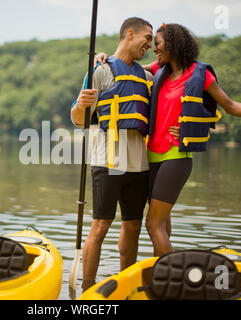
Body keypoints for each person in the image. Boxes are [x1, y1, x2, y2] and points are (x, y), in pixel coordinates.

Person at [94, 23, 241, 257]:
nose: (154, 48)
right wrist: (103, 58)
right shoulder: (158, 69)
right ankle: (160, 274)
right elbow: (124, 65)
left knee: (153, 225)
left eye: (158, 43)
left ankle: (172, 277)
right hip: (150, 157)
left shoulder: (200, 74)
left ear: (173, 44)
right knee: (161, 224)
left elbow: (230, 105)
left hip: (176, 157)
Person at [71, 17, 156, 291]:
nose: (150, 45)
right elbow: (77, 118)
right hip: (107, 160)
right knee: (101, 225)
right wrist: (80, 105)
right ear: (130, 34)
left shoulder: (147, 76)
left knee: (133, 226)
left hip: (139, 164)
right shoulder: (99, 71)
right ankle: (87, 289)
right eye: (147, 38)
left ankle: (125, 285)